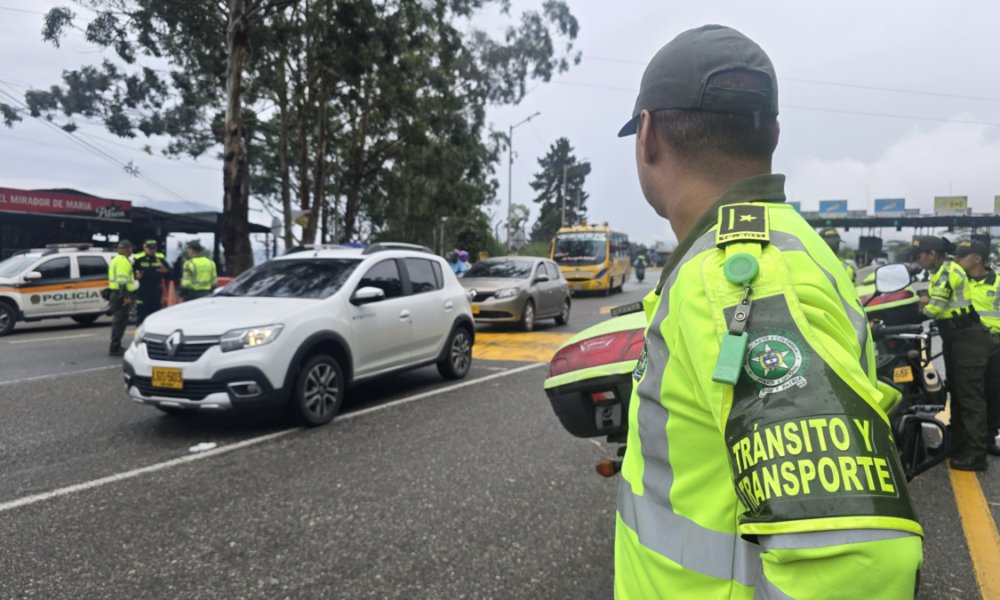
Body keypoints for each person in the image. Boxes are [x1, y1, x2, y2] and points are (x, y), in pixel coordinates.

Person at [614, 25, 922, 598]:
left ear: (647, 136)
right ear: (773, 133)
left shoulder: (733, 280)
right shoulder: (794, 243)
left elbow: (859, 562)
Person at [914, 236, 991, 471]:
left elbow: (933, 310)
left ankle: (976, 454)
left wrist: (922, 304)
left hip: (967, 338)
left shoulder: (948, 272)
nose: (918, 259)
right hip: (956, 338)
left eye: (920, 254)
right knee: (957, 393)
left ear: (933, 254)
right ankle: (957, 444)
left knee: (969, 397)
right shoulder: (940, 272)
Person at [953, 238, 1000, 457]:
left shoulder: (998, 283)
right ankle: (971, 442)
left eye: (962, 256)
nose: (957, 259)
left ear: (978, 258)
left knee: (993, 394)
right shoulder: (959, 282)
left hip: (996, 345)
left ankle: (988, 438)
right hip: (971, 346)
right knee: (972, 396)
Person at [107, 239, 137, 356]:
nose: (131, 251)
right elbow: (122, 281)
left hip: (116, 294)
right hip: (121, 295)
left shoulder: (116, 260)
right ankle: (115, 347)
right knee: (120, 322)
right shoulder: (123, 261)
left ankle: (116, 345)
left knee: (118, 321)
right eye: (130, 249)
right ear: (125, 249)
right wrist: (126, 297)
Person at [133, 239, 169, 323]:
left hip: (156, 289)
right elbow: (130, 272)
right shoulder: (138, 258)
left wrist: (165, 270)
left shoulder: (160, 257)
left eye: (154, 248)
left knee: (155, 312)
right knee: (142, 313)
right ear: (144, 248)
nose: (152, 250)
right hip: (142, 289)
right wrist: (136, 276)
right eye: (149, 248)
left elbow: (170, 272)